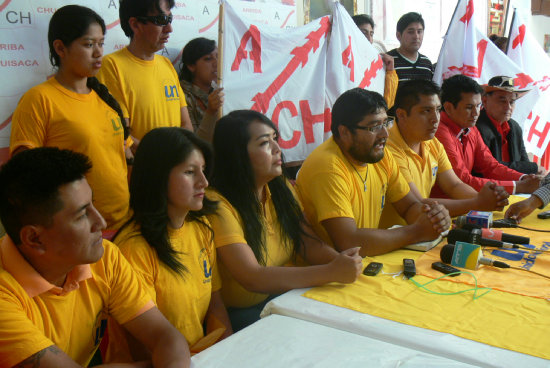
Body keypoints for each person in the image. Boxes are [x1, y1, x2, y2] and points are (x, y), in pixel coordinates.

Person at [0, 147, 189, 367]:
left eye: (93, 204)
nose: (101, 222)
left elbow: (165, 336)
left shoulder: (104, 258)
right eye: (82, 215)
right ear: (34, 239)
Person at [207, 110, 363, 331]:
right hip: (242, 315)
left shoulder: (279, 187)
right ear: (237, 154)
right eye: (264, 143)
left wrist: (343, 265)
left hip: (283, 297)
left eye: (275, 139)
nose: (277, 149)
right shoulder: (217, 203)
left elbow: (307, 243)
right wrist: (331, 272)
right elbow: (253, 277)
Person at [107, 128, 232, 361]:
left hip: (198, 357)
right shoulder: (133, 249)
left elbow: (216, 304)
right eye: (189, 172)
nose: (203, 182)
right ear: (158, 176)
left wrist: (229, 353)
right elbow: (142, 344)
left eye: (203, 171)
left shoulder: (201, 227)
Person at [10, 5, 130, 234]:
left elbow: (124, 156)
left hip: (124, 223)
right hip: (77, 231)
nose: (98, 53)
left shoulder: (106, 99)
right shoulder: (39, 99)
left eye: (101, 43)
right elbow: (25, 172)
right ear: (60, 48)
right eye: (88, 44)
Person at [296, 88, 451, 257]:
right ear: (345, 132)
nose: (385, 134)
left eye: (386, 123)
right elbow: (349, 242)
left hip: (364, 263)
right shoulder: (328, 167)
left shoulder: (380, 155)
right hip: (326, 274)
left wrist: (434, 218)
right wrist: (416, 232)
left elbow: (409, 207)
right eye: (375, 127)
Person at [380, 80, 509, 228]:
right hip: (394, 237)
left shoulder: (432, 143)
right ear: (401, 114)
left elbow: (454, 185)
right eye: (426, 111)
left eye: (437, 110)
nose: (435, 119)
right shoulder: (388, 148)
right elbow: (417, 203)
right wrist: (478, 203)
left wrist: (487, 199)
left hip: (421, 233)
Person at [97, 0, 192, 152]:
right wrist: (161, 161)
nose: (169, 28)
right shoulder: (112, 66)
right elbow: (122, 135)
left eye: (170, 19)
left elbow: (186, 124)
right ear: (135, 24)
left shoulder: (167, 65)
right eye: (161, 20)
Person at [434, 74, 541, 196]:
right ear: (448, 107)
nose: (476, 113)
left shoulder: (471, 128)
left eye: (478, 106)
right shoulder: (439, 132)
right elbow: (462, 180)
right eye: (469, 107)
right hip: (442, 207)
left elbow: (490, 166)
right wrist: (518, 186)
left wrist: (524, 178)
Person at [477, 75, 544, 175]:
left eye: (512, 102)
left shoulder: (515, 127)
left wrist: (532, 171)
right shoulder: (476, 127)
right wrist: (533, 168)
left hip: (518, 185)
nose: (508, 107)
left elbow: (524, 162)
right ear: (485, 101)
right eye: (502, 101)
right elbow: (490, 167)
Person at [179, 37, 224, 142]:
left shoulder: (221, 92)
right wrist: (211, 111)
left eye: (218, 57)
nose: (217, 63)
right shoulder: (182, 96)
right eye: (208, 58)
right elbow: (192, 144)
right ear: (191, 65)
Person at [352, 14, 398, 108]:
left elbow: (387, 104)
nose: (369, 39)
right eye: (364, 33)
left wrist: (390, 71)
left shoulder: (378, 63)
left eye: (371, 34)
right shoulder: (342, 61)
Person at [387, 12, 434, 86]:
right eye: (411, 32)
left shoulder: (427, 64)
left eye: (419, 32)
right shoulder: (388, 61)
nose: (416, 36)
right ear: (398, 35)